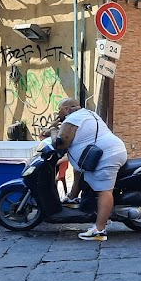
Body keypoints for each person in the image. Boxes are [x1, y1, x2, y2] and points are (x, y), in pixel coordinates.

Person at [54, 98, 128, 241]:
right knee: (78, 170)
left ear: (67, 109)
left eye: (60, 109)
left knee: (104, 191)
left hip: (107, 156)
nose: (58, 113)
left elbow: (61, 143)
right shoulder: (88, 114)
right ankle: (72, 198)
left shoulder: (72, 119)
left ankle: (99, 230)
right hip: (110, 150)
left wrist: (52, 129)